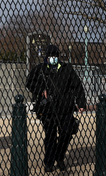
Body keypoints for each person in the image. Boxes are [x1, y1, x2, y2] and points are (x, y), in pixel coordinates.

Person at [26, 44, 86, 173]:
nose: (52, 58)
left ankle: (59, 157)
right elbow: (29, 82)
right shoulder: (40, 69)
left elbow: (78, 86)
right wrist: (41, 90)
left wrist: (81, 103)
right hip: (48, 110)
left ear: (58, 56)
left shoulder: (67, 69)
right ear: (46, 57)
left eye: (54, 56)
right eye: (50, 56)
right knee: (50, 136)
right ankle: (49, 162)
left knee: (67, 132)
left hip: (65, 108)